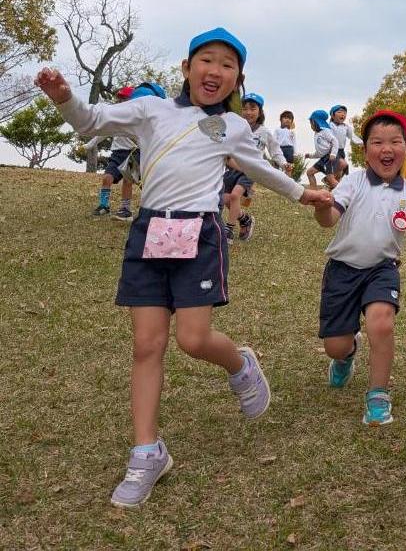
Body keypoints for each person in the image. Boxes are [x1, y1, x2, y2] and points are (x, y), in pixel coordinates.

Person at [36, 27, 333, 509]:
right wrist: (65, 98)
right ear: (186, 68)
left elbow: (259, 170)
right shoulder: (153, 110)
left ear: (237, 79)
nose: (215, 71)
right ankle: (146, 452)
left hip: (199, 235)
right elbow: (90, 123)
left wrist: (304, 194)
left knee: (193, 340)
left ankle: (241, 364)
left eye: (227, 65)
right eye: (206, 60)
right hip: (149, 233)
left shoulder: (234, 127)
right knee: (146, 344)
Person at [314, 110, 406, 427]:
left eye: (395, 141)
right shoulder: (354, 181)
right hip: (342, 270)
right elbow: (329, 219)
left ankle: (378, 393)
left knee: (381, 324)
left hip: (382, 270)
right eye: (377, 142)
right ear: (366, 150)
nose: (386, 149)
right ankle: (348, 354)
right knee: (335, 346)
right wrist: (322, 209)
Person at [87, 84, 167, 220]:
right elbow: (104, 130)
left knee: (128, 180)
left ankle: (125, 209)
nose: (121, 102)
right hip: (117, 153)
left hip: (134, 152)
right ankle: (104, 206)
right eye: (120, 99)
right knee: (107, 178)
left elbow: (145, 135)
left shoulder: (138, 118)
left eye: (125, 99)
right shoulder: (116, 117)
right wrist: (91, 144)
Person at [220, 92, 289, 242]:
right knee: (225, 199)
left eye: (253, 108)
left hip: (250, 171)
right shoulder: (234, 129)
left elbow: (275, 150)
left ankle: (228, 231)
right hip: (232, 169)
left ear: (260, 111)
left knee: (234, 196)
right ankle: (245, 219)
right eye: (244, 109)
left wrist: (284, 163)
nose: (248, 112)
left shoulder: (263, 132)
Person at [328, 104, 363, 186]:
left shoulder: (346, 127)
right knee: (344, 165)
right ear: (332, 115)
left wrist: (362, 143)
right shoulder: (329, 126)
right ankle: (328, 179)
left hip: (341, 151)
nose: (342, 114)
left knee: (339, 175)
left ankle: (332, 190)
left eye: (344, 113)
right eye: (339, 112)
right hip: (332, 151)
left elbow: (353, 136)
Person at [304, 109, 339, 190]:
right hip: (323, 159)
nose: (310, 125)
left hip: (329, 158)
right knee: (309, 173)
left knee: (331, 180)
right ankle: (313, 193)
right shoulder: (317, 134)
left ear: (315, 122)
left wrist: (333, 154)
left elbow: (335, 141)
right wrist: (310, 155)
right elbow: (320, 153)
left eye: (311, 123)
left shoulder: (325, 131)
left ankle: (347, 195)